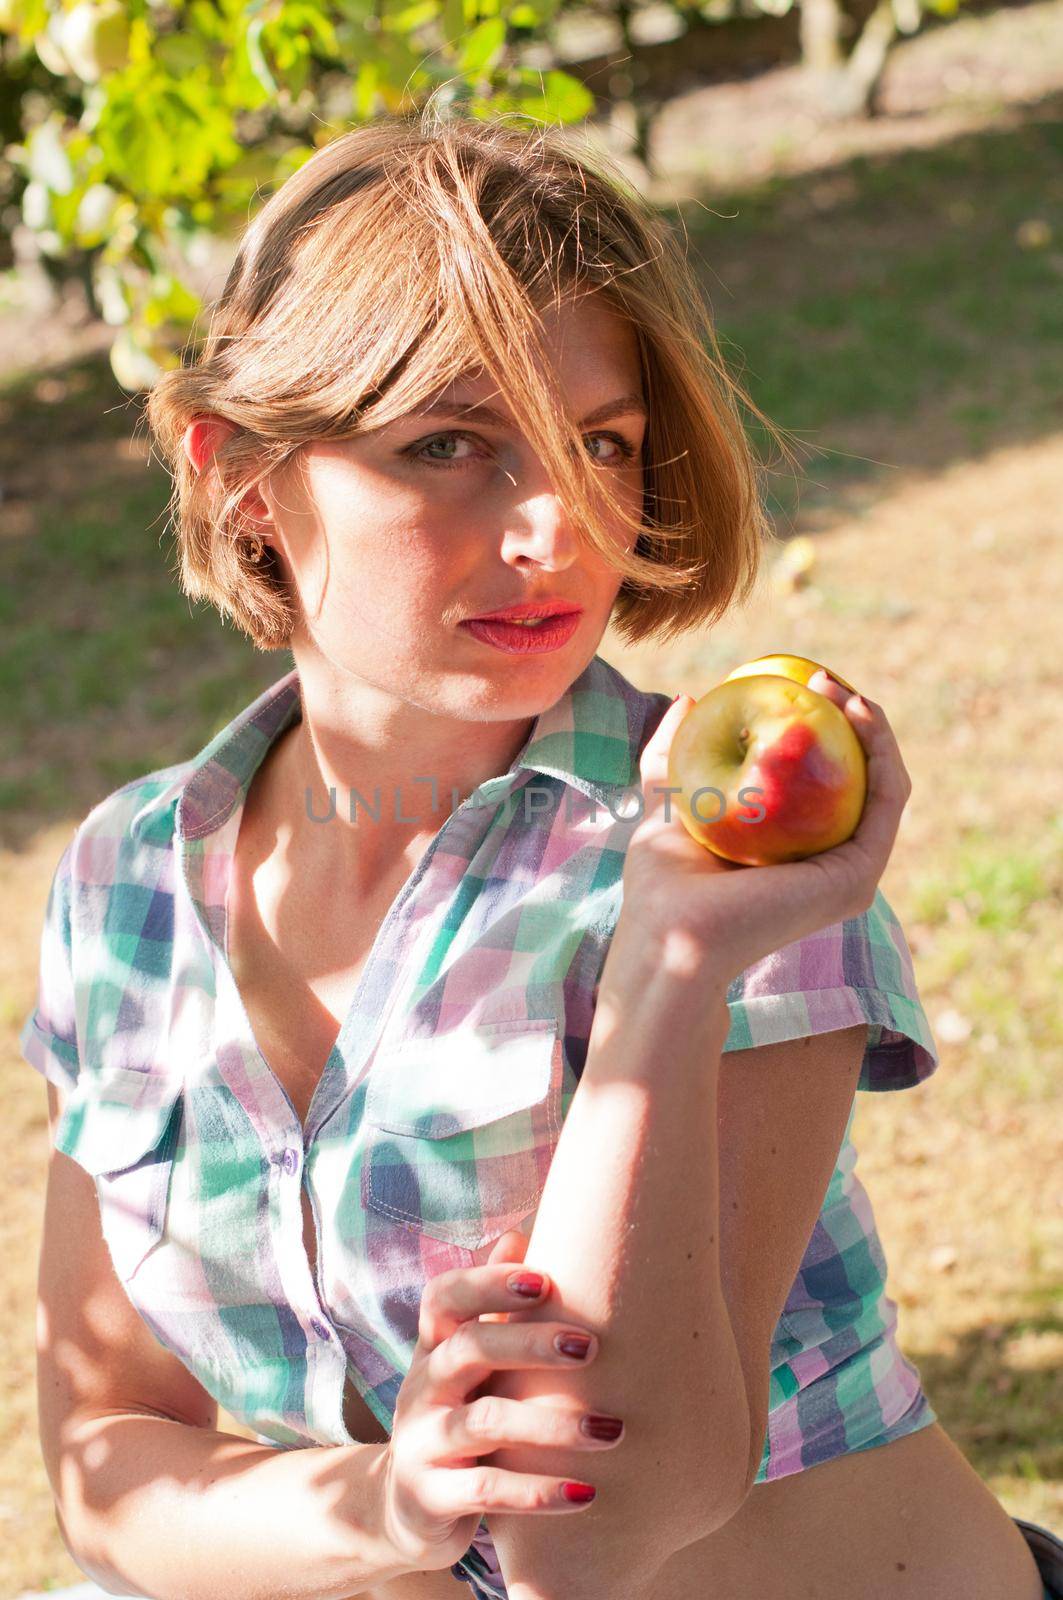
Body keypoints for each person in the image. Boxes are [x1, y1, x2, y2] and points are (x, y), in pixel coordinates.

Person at [22, 108, 1059, 1600]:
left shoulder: (717, 865)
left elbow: (592, 1536)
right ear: (241, 470)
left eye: (600, 445)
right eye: (451, 443)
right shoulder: (127, 886)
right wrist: (383, 1505)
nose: (555, 526)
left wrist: (670, 968)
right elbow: (106, 1454)